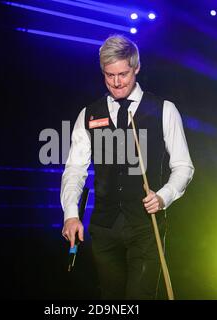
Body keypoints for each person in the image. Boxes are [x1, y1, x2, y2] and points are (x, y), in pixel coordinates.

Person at [61, 34, 194, 299]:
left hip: (146, 227)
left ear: (137, 68)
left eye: (123, 73)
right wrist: (71, 215)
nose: (117, 82)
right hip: (104, 228)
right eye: (109, 75)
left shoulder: (163, 109)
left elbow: (183, 167)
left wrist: (163, 197)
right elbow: (75, 170)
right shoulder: (89, 114)